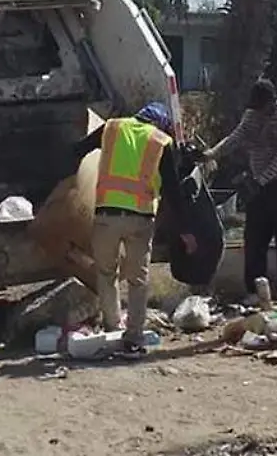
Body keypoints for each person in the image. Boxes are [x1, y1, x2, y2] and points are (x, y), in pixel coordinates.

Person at [72, 101, 196, 359]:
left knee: (106, 273)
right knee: (137, 280)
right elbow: (173, 190)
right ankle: (133, 340)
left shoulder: (112, 128)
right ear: (160, 123)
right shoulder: (160, 141)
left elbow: (79, 150)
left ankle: (113, 326)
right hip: (140, 219)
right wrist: (185, 230)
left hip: (106, 216)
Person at [201, 79, 277, 300]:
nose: (257, 111)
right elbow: (236, 137)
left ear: (271, 102)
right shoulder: (252, 115)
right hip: (260, 187)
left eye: (261, 107)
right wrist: (211, 154)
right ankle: (255, 290)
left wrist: (262, 180)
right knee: (255, 239)